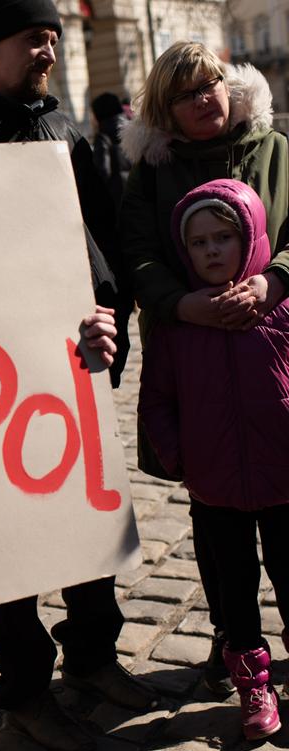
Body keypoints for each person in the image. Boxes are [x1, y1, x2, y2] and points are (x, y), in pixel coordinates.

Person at [0, 0, 149, 751]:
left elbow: (101, 229)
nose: (47, 50)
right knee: (12, 546)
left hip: (81, 361)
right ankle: (23, 688)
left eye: (52, 36)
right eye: (30, 38)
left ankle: (93, 656)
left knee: (88, 524)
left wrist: (116, 308)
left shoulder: (62, 129)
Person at [120, 42, 289, 697]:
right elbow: (135, 252)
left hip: (272, 349)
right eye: (187, 92)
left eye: (212, 84)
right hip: (195, 357)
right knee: (216, 524)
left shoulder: (275, 148)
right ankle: (234, 643)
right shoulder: (153, 173)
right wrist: (178, 302)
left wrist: (276, 281)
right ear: (166, 107)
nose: (204, 99)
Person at [138, 178, 289, 740]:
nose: (211, 251)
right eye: (198, 242)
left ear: (250, 237)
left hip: (284, 480)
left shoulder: (282, 309)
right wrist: (183, 459)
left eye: (223, 237)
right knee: (234, 589)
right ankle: (251, 680)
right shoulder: (178, 328)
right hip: (214, 488)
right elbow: (156, 398)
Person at [90, 91, 131, 218]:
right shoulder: (132, 131)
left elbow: (102, 172)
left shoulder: (103, 137)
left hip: (116, 201)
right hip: (137, 193)